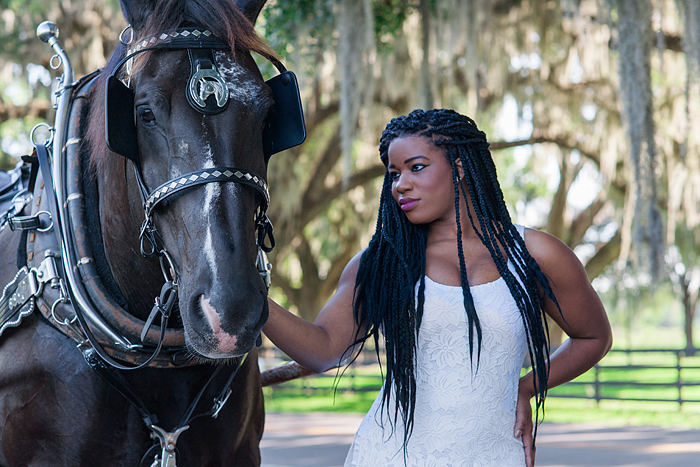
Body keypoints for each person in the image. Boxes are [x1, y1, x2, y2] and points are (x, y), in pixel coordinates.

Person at [263, 108, 612, 467]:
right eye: (394, 174)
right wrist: (256, 300)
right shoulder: (382, 261)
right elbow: (324, 350)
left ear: (459, 167)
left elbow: (593, 337)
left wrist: (527, 386)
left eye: (416, 167)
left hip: (494, 454)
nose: (400, 184)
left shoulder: (536, 254)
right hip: (390, 455)